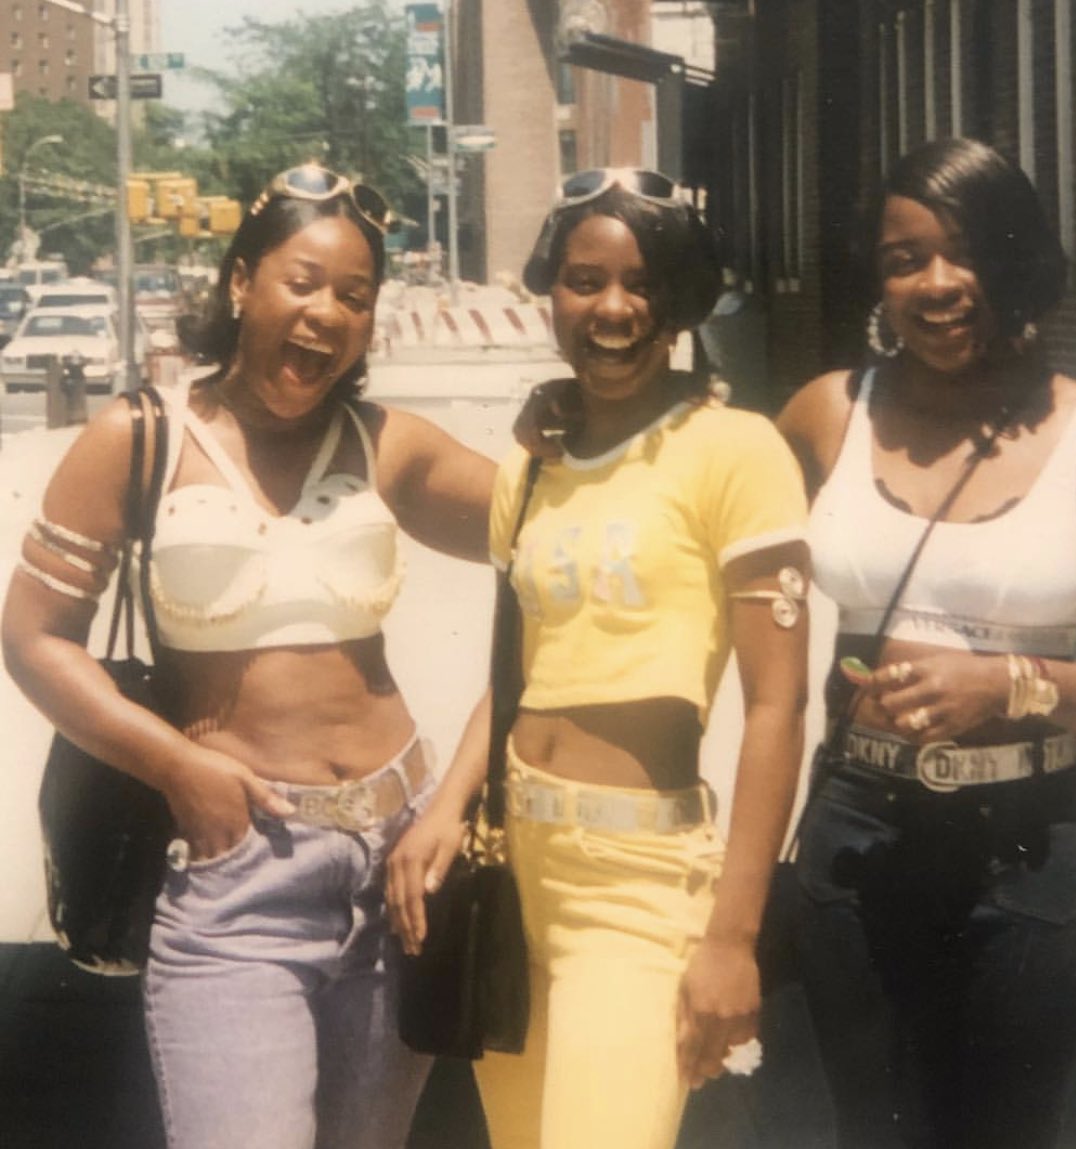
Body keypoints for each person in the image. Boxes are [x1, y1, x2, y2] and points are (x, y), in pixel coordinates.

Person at [2, 164, 496, 1149]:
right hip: (237, 875)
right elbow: (32, 636)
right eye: (302, 282)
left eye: (355, 296)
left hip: (401, 865)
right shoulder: (139, 437)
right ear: (240, 282)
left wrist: (456, 799)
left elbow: (567, 545)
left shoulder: (388, 444)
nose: (326, 314)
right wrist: (176, 766)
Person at [387, 168, 810, 1149]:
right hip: (514, 866)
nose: (612, 308)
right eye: (584, 281)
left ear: (681, 301)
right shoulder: (533, 464)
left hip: (639, 881)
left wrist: (733, 935)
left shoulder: (738, 452)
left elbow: (778, 708)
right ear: (551, 291)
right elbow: (516, 673)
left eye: (642, 283)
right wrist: (446, 808)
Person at [775, 137, 1076, 1148]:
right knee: (872, 1131)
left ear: (1017, 260)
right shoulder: (827, 415)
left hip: (1030, 849)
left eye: (967, 252)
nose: (938, 283)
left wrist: (1013, 684)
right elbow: (704, 519)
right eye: (905, 259)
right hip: (857, 832)